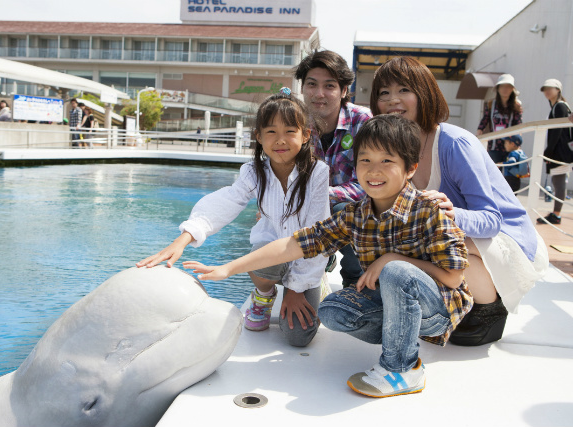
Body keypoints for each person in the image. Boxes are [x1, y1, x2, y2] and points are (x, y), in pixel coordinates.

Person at [184, 114, 472, 398]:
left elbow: (454, 276)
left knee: (396, 271)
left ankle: (403, 368)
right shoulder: (355, 214)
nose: (374, 170)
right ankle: (399, 337)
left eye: (387, 161)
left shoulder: (428, 209)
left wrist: (389, 260)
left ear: (410, 168)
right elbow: (295, 244)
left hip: (436, 311)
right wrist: (228, 268)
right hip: (390, 302)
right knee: (333, 311)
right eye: (366, 160)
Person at [371, 56, 548, 346]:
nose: (392, 100)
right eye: (383, 93)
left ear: (424, 93)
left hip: (506, 240)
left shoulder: (454, 143)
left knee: (430, 248)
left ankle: (489, 307)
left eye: (404, 90)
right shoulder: (396, 147)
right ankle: (454, 304)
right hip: (457, 240)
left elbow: (492, 219)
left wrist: (452, 215)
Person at [137, 89, 331, 347]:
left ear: (305, 135)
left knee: (298, 338)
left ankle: (317, 283)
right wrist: (183, 238)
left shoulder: (317, 173)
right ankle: (263, 295)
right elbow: (226, 201)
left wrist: (297, 290)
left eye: (290, 131)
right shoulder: (254, 171)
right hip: (270, 255)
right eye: (271, 132)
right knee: (261, 252)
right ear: (259, 137)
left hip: (308, 256)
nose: (280, 140)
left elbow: (315, 236)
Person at [293, 50, 372, 287]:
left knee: (347, 210)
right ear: (302, 88)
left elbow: (371, 184)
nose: (319, 94)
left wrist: (322, 193)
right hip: (306, 209)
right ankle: (307, 269)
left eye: (329, 86)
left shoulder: (364, 122)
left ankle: (355, 284)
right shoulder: (292, 122)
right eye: (312, 84)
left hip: (352, 211)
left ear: (344, 90)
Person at [537, 78, 572, 225]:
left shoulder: (560, 106)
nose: (547, 91)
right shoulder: (557, 107)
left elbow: (558, 131)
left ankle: (556, 214)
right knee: (558, 181)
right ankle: (555, 212)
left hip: (561, 151)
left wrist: (549, 150)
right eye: (545, 88)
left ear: (558, 90)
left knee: (559, 181)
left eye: (550, 88)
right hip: (562, 150)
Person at [476, 74, 523, 164]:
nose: (505, 89)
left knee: (508, 174)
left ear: (512, 89)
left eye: (508, 87)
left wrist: (518, 142)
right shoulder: (491, 104)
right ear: (498, 88)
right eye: (502, 86)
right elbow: (485, 119)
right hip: (494, 145)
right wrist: (479, 130)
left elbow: (519, 124)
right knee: (493, 172)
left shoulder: (516, 105)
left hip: (510, 145)